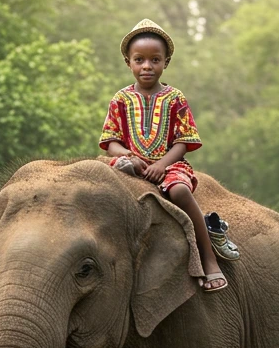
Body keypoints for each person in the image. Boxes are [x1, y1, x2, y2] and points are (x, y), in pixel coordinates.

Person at [100, 19, 240, 293]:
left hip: (170, 165)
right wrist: (131, 156)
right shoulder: (120, 99)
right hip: (131, 163)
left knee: (178, 191)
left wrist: (163, 165)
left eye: (155, 60)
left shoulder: (175, 98)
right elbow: (110, 143)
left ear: (167, 62)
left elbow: (184, 142)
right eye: (139, 60)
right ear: (128, 62)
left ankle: (209, 258)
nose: (147, 66)